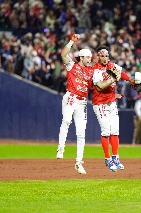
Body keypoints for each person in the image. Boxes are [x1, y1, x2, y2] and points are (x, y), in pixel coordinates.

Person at [91, 45, 135, 172]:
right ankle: (107, 158)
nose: (105, 58)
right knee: (105, 131)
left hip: (111, 102)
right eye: (102, 56)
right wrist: (113, 79)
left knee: (115, 130)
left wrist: (130, 80)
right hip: (100, 103)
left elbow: (121, 73)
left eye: (106, 56)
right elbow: (100, 87)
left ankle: (116, 157)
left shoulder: (111, 65)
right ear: (97, 56)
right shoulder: (96, 70)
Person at [56, 34, 94, 175]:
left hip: (82, 102)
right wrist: (72, 41)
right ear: (81, 58)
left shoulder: (91, 71)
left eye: (90, 57)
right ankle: (60, 149)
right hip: (71, 97)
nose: (89, 59)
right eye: (87, 57)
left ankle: (79, 162)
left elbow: (99, 84)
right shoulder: (72, 65)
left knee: (81, 133)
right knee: (66, 121)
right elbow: (63, 54)